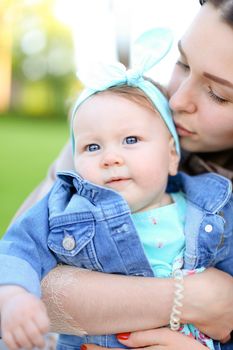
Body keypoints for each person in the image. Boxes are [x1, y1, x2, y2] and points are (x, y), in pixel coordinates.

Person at [5, 0, 233, 349]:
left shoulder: (214, 207)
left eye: (219, 94)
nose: (177, 100)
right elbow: (24, 262)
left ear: (172, 156)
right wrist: (188, 298)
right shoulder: (121, 111)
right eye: (182, 63)